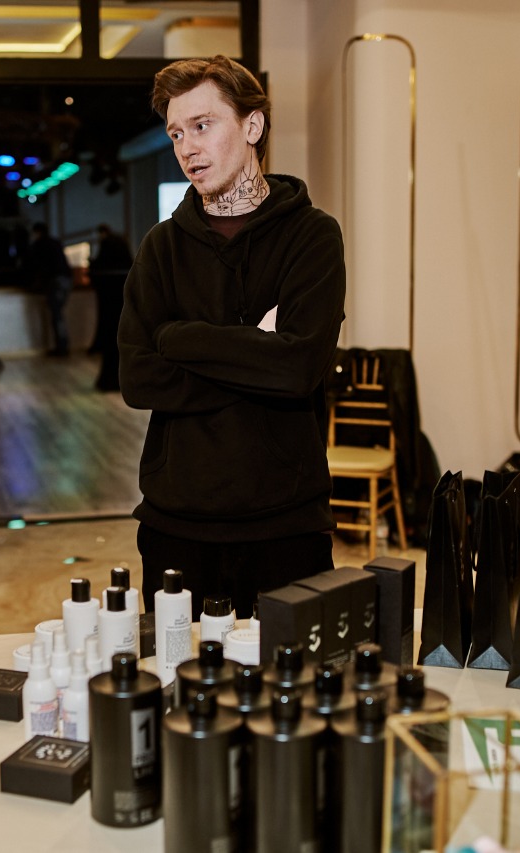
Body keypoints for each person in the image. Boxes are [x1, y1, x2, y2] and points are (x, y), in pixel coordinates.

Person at [118, 55, 347, 620]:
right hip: (176, 524)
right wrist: (254, 348)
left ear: (252, 126)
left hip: (286, 525)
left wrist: (179, 337)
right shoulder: (161, 248)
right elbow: (138, 378)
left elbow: (297, 370)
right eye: (176, 133)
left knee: (289, 679)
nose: (187, 148)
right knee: (175, 676)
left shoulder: (312, 236)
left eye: (202, 125)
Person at [88, 223, 134, 391]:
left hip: (108, 310)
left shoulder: (104, 261)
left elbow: (97, 270)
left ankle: (109, 381)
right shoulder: (127, 263)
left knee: (110, 344)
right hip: (124, 311)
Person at [25, 221, 73, 356]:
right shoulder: (55, 242)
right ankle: (62, 346)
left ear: (37, 232)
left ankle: (61, 347)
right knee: (58, 314)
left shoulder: (39, 245)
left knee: (57, 315)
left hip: (55, 281)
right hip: (65, 279)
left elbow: (37, 267)